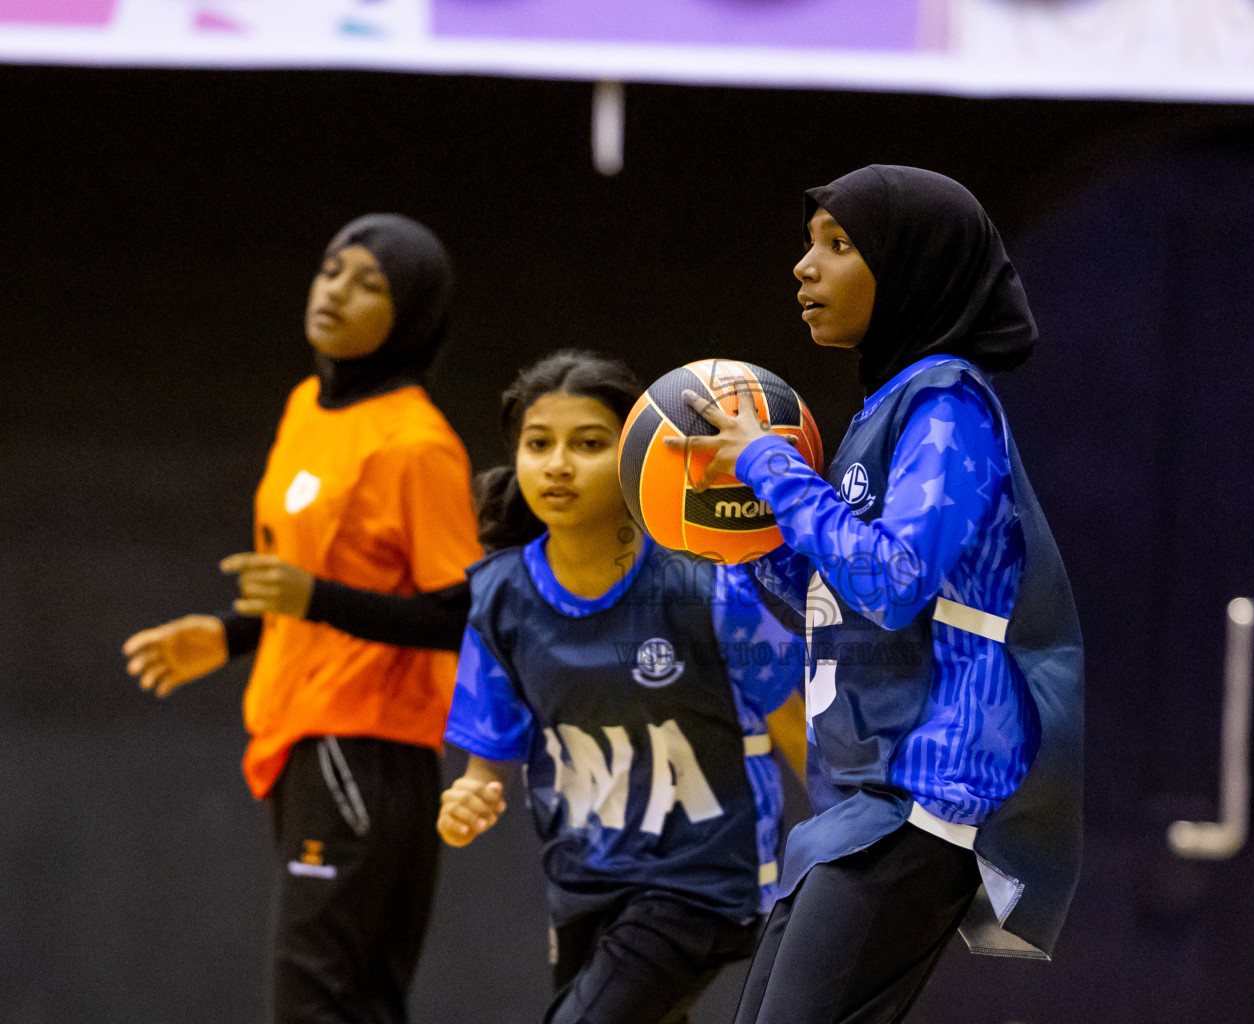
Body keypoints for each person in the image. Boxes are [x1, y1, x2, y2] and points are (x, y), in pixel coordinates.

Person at [674, 165, 1085, 1024]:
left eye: (839, 245)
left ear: (910, 271)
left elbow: (893, 582)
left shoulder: (949, 404)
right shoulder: (883, 409)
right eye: (809, 243)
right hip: (863, 797)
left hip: (931, 791)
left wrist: (772, 467)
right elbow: (839, 598)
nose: (803, 267)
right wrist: (748, 537)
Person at [122, 213, 480, 1024]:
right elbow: (308, 576)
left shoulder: (416, 444)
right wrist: (230, 633)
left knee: (316, 1001)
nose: (337, 291)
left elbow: (460, 609)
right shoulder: (307, 408)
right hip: (304, 737)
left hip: (366, 748)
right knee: (348, 1002)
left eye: (371, 284)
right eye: (331, 269)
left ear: (412, 314)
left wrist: (308, 602)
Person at [436, 349, 802, 1024]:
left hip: (701, 880)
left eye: (590, 443)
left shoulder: (702, 582)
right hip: (583, 881)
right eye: (538, 444)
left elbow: (792, 718)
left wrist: (855, 838)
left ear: (637, 455)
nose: (558, 464)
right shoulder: (499, 598)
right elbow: (488, 762)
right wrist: (470, 795)